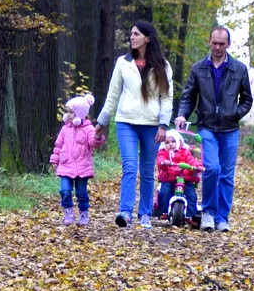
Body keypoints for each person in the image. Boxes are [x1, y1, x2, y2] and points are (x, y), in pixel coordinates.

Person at [174, 25, 254, 231]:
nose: (218, 47)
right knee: (211, 168)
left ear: (228, 44)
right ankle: (208, 212)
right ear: (209, 42)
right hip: (207, 126)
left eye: (222, 44)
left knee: (227, 175)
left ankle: (222, 218)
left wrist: (235, 113)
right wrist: (182, 114)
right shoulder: (198, 68)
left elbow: (247, 99)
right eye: (214, 43)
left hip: (230, 129)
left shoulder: (239, 69)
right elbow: (189, 96)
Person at [98, 20, 174, 229]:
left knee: (148, 171)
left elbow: (166, 98)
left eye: (136, 34)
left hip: (152, 125)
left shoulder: (163, 66)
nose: (132, 37)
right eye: (131, 34)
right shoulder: (123, 63)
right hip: (126, 122)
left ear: (147, 38)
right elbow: (113, 95)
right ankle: (125, 212)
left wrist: (163, 125)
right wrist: (101, 121)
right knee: (130, 166)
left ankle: (145, 214)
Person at [50, 94, 100, 226]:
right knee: (65, 190)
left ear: (80, 114)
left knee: (81, 192)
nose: (69, 115)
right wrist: (55, 160)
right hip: (66, 164)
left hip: (82, 166)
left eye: (72, 112)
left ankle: (84, 213)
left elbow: (93, 142)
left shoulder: (88, 129)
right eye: (68, 112)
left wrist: (98, 137)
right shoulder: (65, 129)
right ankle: (68, 211)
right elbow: (58, 145)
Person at [154, 128, 203, 227]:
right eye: (167, 142)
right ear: (164, 144)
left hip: (185, 179)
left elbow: (191, 160)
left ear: (178, 142)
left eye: (173, 141)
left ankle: (190, 215)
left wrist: (197, 166)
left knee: (191, 195)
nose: (170, 144)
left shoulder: (184, 151)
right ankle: (163, 211)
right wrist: (164, 162)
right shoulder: (163, 152)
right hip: (169, 178)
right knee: (164, 192)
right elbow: (160, 159)